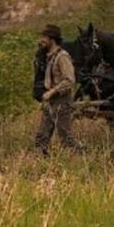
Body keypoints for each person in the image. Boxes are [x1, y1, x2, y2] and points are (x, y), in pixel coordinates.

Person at [34, 24, 83, 155]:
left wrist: (51, 92)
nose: (41, 40)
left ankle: (84, 157)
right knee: (41, 137)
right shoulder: (48, 57)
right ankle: (42, 165)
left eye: (44, 37)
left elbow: (69, 80)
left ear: (52, 39)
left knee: (66, 137)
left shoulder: (62, 57)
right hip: (50, 103)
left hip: (62, 101)